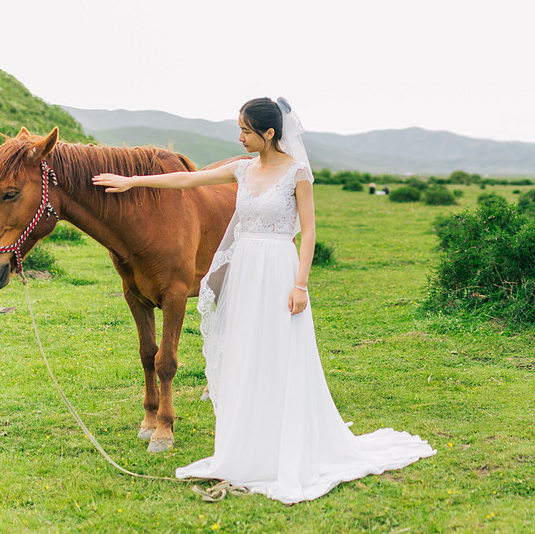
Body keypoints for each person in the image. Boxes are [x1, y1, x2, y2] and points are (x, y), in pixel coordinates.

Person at [93, 97, 435, 503]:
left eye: (246, 130)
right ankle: (246, 441)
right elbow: (185, 182)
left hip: (278, 267)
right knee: (244, 348)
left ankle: (285, 438)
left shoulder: (297, 172)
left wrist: (301, 284)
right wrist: (132, 182)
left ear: (269, 133)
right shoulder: (242, 169)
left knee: (280, 348)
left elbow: (308, 232)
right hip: (245, 268)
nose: (239, 137)